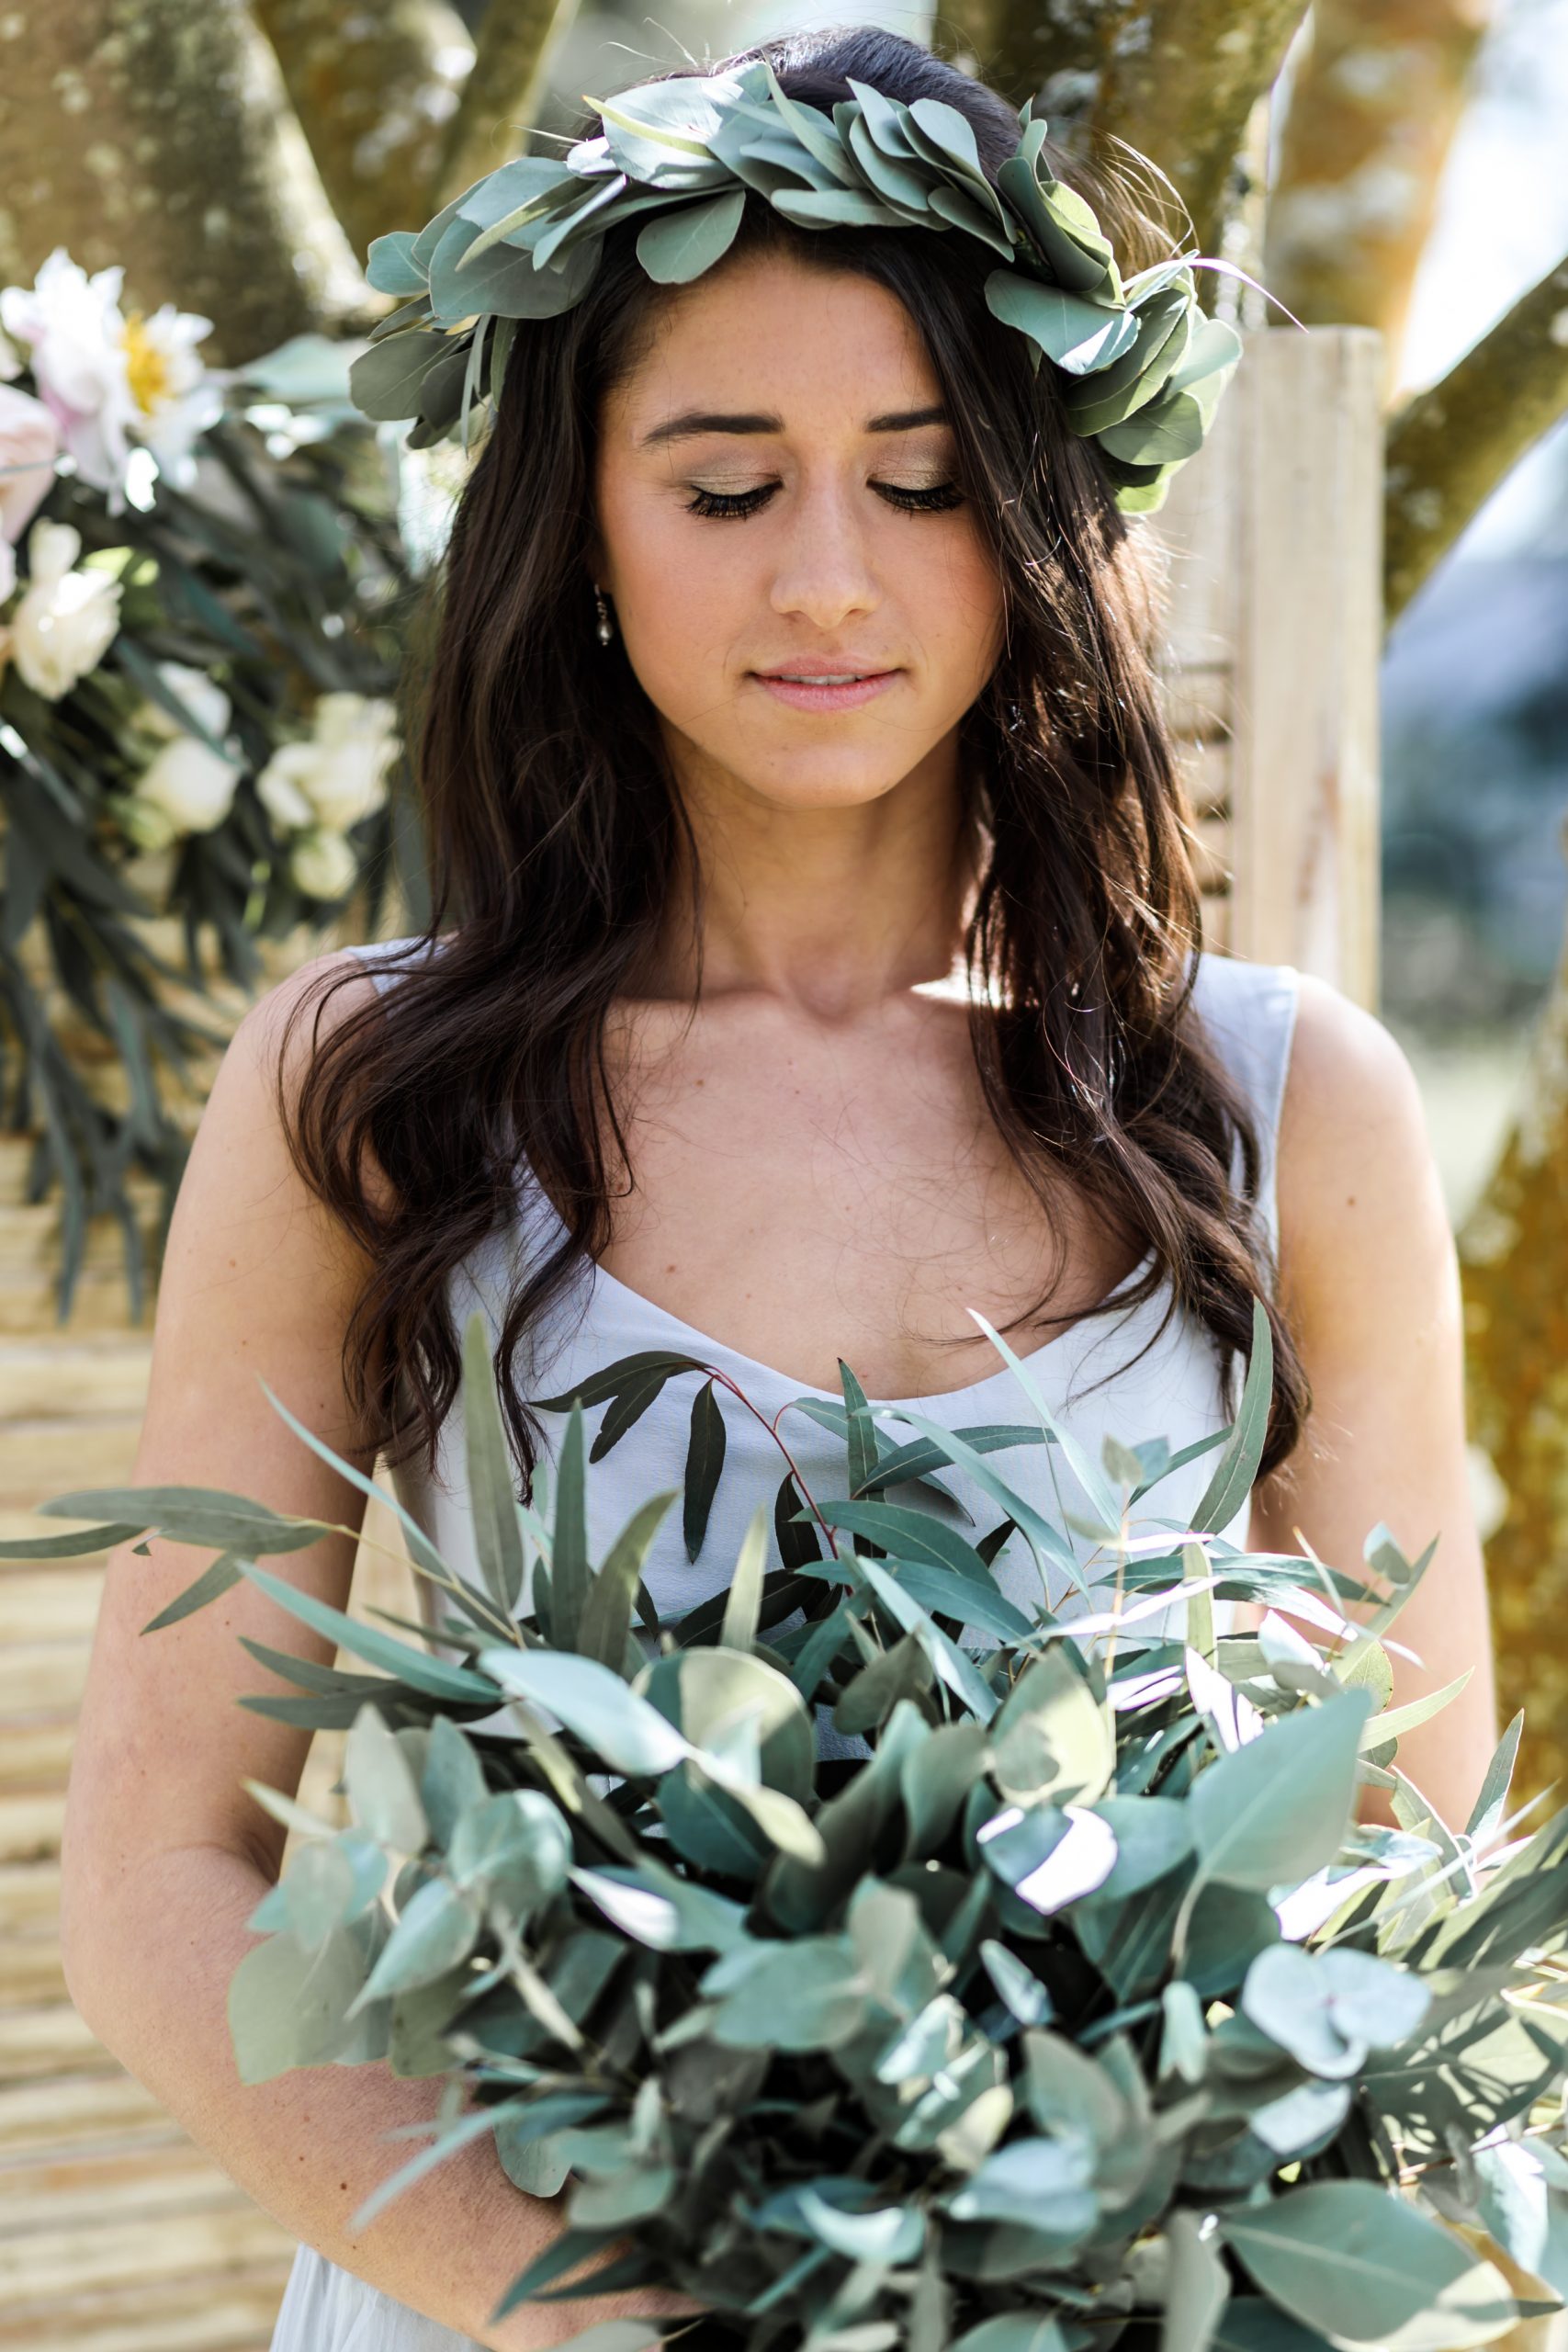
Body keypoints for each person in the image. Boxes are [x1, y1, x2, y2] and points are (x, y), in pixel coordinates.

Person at [57, 22, 1497, 2352]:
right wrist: (595, 2304)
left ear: (1030, 510)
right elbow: (154, 1880)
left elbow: (1398, 1883)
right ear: (581, 520)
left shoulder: (1276, 1108)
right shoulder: (375, 1086)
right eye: (725, 484)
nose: (828, 573)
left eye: (918, 477)